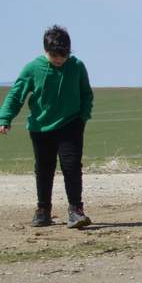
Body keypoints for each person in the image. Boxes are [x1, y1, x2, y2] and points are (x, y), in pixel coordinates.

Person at [1, 25, 94, 229]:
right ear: (46, 50)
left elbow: (86, 93)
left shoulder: (77, 66)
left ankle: (76, 211)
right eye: (54, 55)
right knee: (44, 169)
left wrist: (83, 117)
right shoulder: (32, 68)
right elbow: (16, 95)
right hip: (40, 128)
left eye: (63, 55)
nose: (59, 59)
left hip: (71, 124)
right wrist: (5, 118)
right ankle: (43, 210)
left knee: (71, 167)